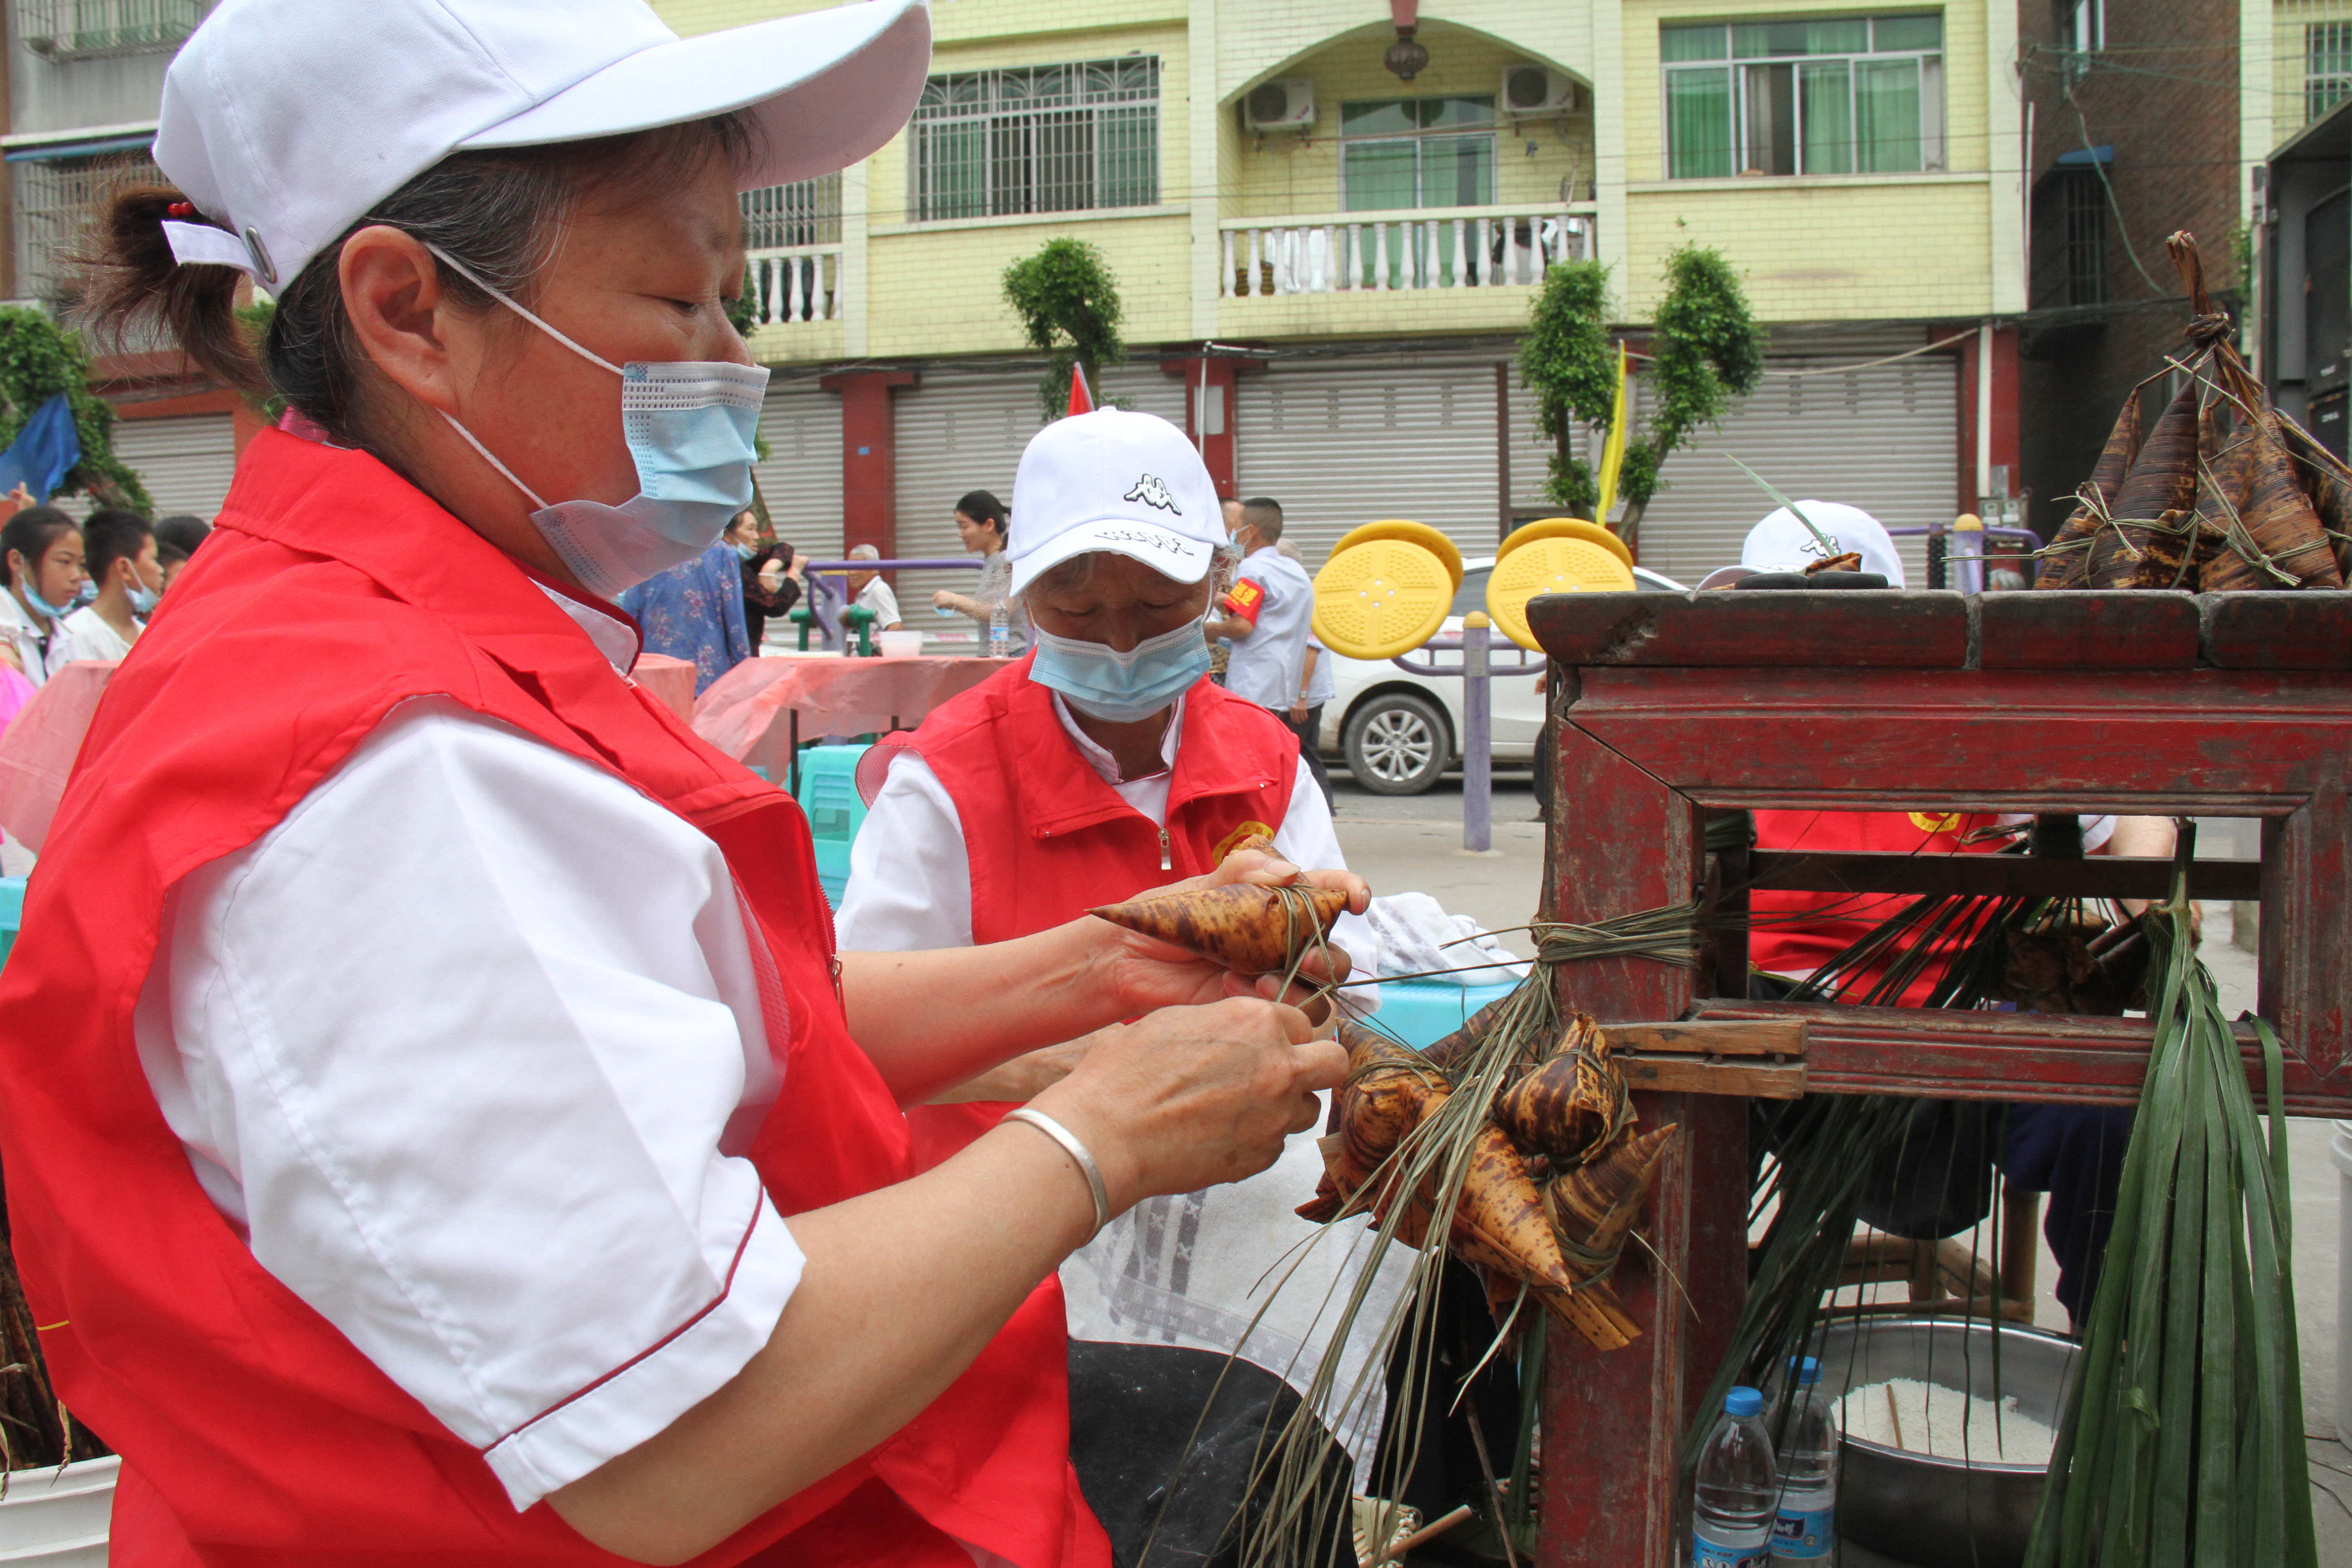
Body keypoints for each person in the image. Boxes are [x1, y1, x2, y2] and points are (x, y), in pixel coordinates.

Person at [3, 3, 1360, 1564]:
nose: (739, 361)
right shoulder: (382, 766)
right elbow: (671, 1429)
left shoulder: (454, 642)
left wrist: (1098, 966)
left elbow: (700, 1021)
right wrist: (1101, 1137)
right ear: (409, 311)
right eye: (677, 294)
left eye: (736, 295)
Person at [838, 410, 1395, 1563]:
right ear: (1022, 595)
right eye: (1076, 613)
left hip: (1226, 1218)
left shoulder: (1264, 757)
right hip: (1005, 1230)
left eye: (1155, 608)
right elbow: (865, 1034)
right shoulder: (944, 775)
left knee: (1227, 1484)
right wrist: (1093, 1073)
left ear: (1216, 583)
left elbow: (1325, 989)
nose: (1122, 643)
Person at [1207, 496, 1334, 803]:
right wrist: (1221, 600)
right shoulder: (1295, 571)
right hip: (1285, 683)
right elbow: (1257, 610)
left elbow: (1242, 626)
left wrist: (1201, 631)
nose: (1232, 537)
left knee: (1250, 759)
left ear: (1250, 532)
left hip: (1255, 681)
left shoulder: (1253, 570)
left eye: (1235, 529)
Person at [616, 534, 752, 696]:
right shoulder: (723, 553)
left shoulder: (646, 549)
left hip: (653, 668)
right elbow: (734, 616)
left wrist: (620, 664)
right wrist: (744, 667)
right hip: (707, 669)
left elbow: (630, 612)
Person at [54, 508, 160, 664]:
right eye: (154, 559)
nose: (160, 570)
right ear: (125, 568)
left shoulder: (148, 635)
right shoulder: (76, 636)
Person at [929, 488, 1024, 652]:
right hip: (997, 655)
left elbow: (1000, 612)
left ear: (989, 525)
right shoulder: (993, 561)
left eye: (964, 526)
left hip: (1007, 655)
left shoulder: (1005, 561)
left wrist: (956, 601)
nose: (960, 534)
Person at [0, 506, 84, 683]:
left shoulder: (69, 637)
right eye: (64, 562)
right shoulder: (4, 626)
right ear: (17, 562)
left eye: (81, 565)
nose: (76, 576)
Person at [726, 508, 798, 648]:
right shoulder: (732, 568)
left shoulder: (744, 561)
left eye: (756, 529)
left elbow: (783, 549)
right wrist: (794, 574)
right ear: (727, 534)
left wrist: (769, 570)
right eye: (750, 530)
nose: (757, 537)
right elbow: (775, 606)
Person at [845, 541, 903, 637]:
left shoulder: (879, 590)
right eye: (849, 567)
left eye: (857, 566)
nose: (852, 573)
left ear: (874, 569)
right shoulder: (864, 593)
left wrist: (876, 650)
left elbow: (895, 627)